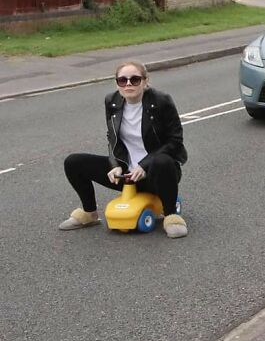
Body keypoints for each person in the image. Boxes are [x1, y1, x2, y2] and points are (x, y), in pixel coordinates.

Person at [60, 61, 189, 238]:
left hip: (157, 173)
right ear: (117, 84)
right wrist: (115, 165)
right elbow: (112, 137)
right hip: (127, 175)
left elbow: (175, 141)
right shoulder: (112, 101)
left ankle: (171, 216)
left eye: (135, 79)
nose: (128, 84)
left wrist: (144, 165)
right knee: (73, 162)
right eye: (122, 80)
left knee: (163, 161)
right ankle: (89, 213)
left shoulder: (162, 101)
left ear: (145, 81)